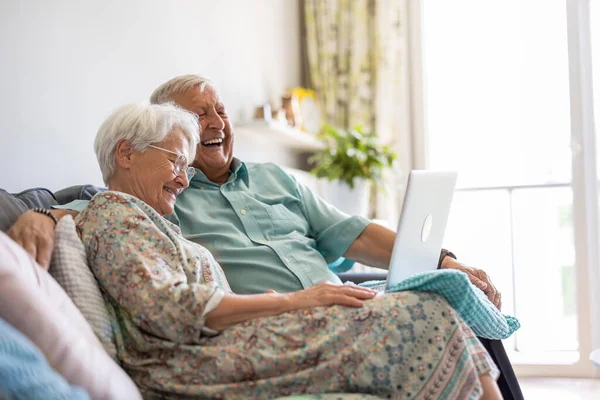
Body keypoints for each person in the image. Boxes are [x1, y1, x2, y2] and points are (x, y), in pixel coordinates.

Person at [70, 101, 502, 399]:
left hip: (239, 341)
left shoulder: (147, 217)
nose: (183, 180)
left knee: (432, 300)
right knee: (420, 314)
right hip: (198, 363)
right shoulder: (112, 214)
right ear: (126, 153)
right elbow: (168, 307)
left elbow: (350, 230)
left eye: (186, 166)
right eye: (176, 162)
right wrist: (294, 301)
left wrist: (444, 258)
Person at [7, 74, 501, 310]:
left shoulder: (276, 179)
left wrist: (443, 258)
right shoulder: (162, 194)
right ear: (171, 129)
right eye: (199, 116)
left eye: (219, 110)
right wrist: (42, 215)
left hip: (346, 298)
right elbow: (99, 205)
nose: (216, 122)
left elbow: (353, 233)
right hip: (278, 313)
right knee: (441, 314)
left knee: (455, 291)